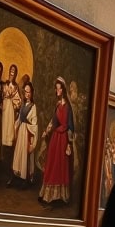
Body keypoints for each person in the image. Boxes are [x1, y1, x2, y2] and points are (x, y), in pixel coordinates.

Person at [38, 76, 76, 205]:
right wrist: (46, 131)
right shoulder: (58, 104)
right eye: (56, 89)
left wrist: (69, 144)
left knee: (61, 166)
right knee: (52, 165)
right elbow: (54, 121)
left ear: (63, 90)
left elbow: (70, 126)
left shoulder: (68, 107)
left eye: (59, 89)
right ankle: (48, 195)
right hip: (55, 139)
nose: (57, 91)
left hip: (64, 139)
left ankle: (60, 197)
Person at [10, 77, 37, 186]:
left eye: (29, 92)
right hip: (20, 131)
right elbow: (19, 120)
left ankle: (24, 179)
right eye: (25, 92)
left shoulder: (33, 106)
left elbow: (34, 124)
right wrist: (14, 128)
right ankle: (16, 176)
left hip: (26, 133)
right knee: (18, 154)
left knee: (24, 155)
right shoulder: (22, 105)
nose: (27, 94)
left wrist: (31, 140)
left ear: (31, 93)